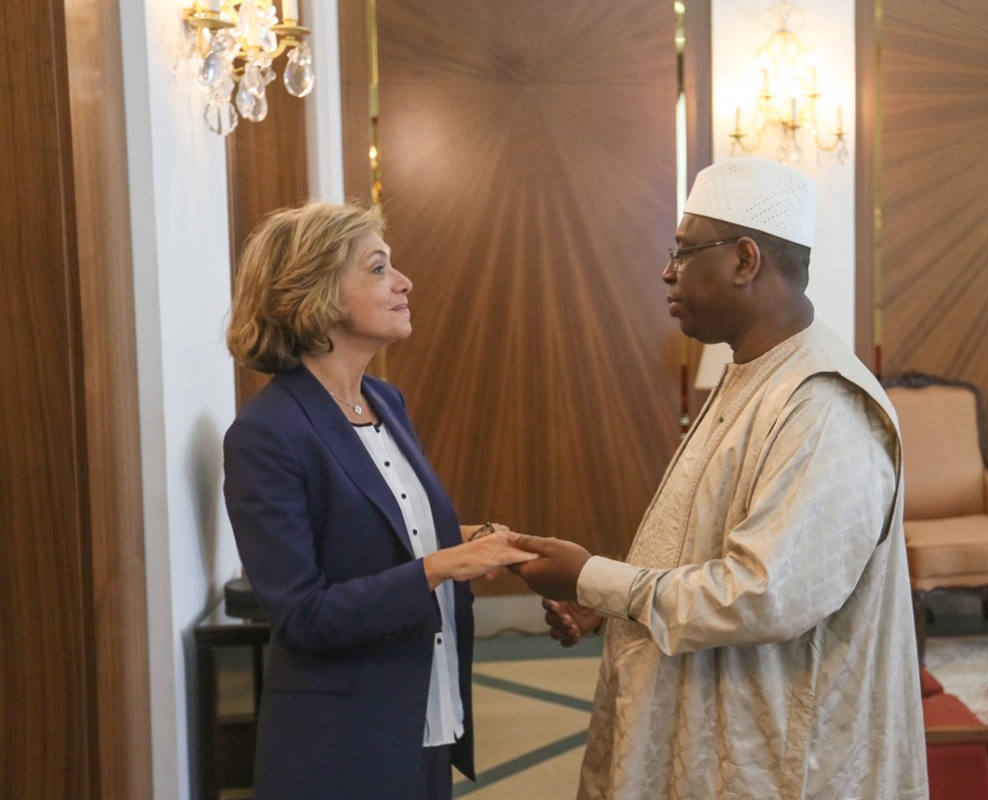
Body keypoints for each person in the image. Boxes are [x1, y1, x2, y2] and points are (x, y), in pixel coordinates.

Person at [510, 158, 928, 799]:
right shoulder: (755, 372)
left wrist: (592, 577)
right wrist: (610, 603)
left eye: (683, 251)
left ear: (745, 260)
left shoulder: (822, 404)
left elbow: (762, 594)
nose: (666, 271)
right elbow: (704, 541)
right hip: (714, 723)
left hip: (785, 758)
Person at [223, 202, 537, 800]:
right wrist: (443, 565)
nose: (403, 282)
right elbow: (303, 616)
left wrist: (468, 541)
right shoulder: (266, 434)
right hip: (342, 742)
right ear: (314, 294)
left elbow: (383, 536)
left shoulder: (384, 401)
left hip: (424, 711)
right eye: (377, 269)